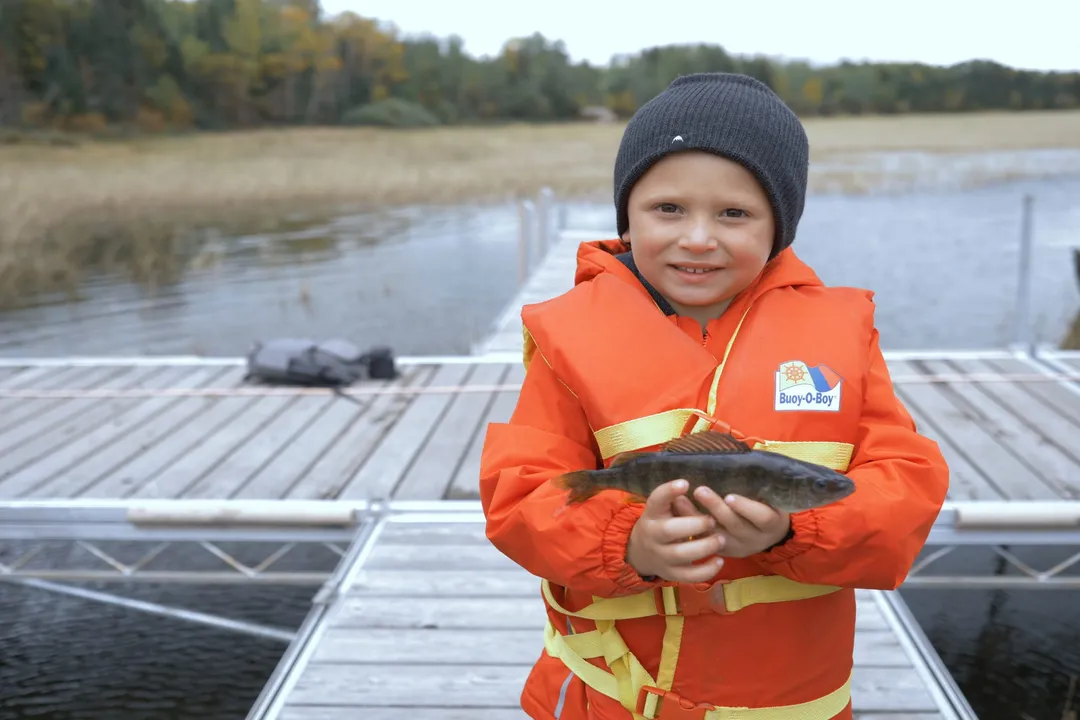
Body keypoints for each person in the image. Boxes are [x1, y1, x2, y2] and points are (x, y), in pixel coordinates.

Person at [478, 72, 950, 720]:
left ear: (779, 225)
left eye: (734, 213)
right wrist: (627, 542)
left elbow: (908, 488)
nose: (698, 238)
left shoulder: (840, 338)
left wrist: (796, 526)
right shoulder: (571, 338)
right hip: (610, 699)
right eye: (668, 209)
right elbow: (521, 495)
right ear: (627, 215)